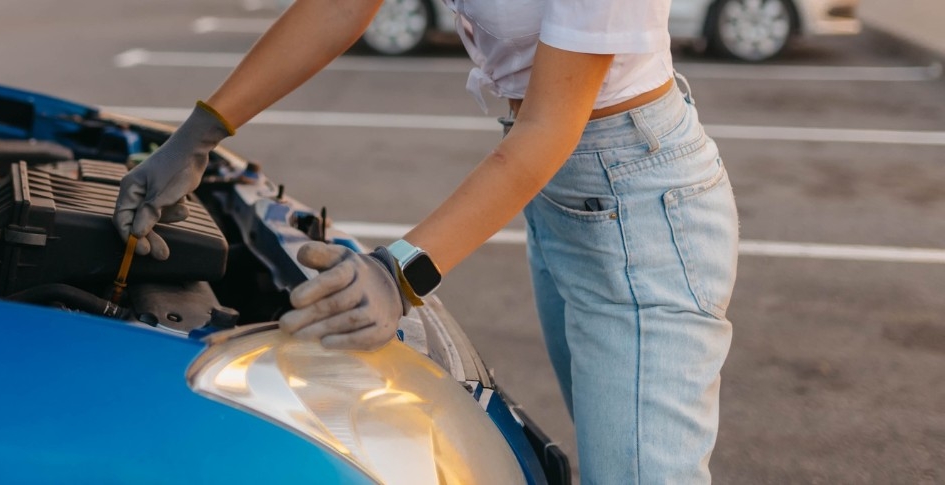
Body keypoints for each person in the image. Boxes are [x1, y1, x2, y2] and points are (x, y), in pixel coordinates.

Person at [113, 0, 738, 482]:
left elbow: (549, 124)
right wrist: (201, 131)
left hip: (640, 210)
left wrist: (397, 274)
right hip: (564, 197)